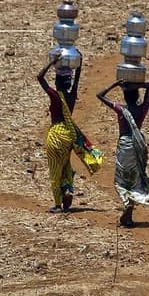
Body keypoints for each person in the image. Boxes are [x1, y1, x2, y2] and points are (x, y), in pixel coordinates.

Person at [97, 80, 149, 227]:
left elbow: (100, 95)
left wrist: (115, 84)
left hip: (124, 146)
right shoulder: (143, 109)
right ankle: (129, 213)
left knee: (120, 181)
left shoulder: (121, 110)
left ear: (125, 97)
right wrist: (138, 85)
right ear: (137, 96)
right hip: (137, 146)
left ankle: (127, 203)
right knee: (134, 179)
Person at [37, 54, 82, 213]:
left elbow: (40, 77)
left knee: (55, 170)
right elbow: (76, 80)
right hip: (68, 135)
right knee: (65, 165)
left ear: (57, 82)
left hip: (56, 134)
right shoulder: (71, 96)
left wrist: (52, 62)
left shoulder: (56, 96)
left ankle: (57, 204)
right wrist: (79, 63)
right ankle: (67, 189)